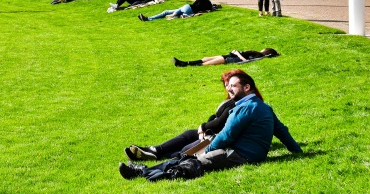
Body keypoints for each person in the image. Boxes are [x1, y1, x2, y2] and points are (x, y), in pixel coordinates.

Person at [119, 71, 302, 181]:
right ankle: (144, 168)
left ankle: (142, 172)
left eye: (233, 86)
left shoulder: (246, 108)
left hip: (239, 155)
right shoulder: (263, 106)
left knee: (191, 163)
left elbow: (226, 136)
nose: (229, 89)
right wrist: (297, 151)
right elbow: (282, 131)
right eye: (228, 86)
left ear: (247, 88)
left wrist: (206, 150)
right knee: (186, 157)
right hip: (245, 153)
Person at [173, 48, 280, 67]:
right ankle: (185, 62)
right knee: (206, 58)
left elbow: (246, 61)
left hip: (230, 59)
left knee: (205, 64)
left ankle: (184, 64)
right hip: (229, 55)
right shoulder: (258, 54)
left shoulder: (259, 55)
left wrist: (237, 53)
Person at [138, 0, 214, 20]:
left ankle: (148, 18)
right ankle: (176, 16)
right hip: (190, 11)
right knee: (176, 15)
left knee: (166, 12)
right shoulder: (208, 6)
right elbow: (210, 9)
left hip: (187, 7)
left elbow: (194, 3)